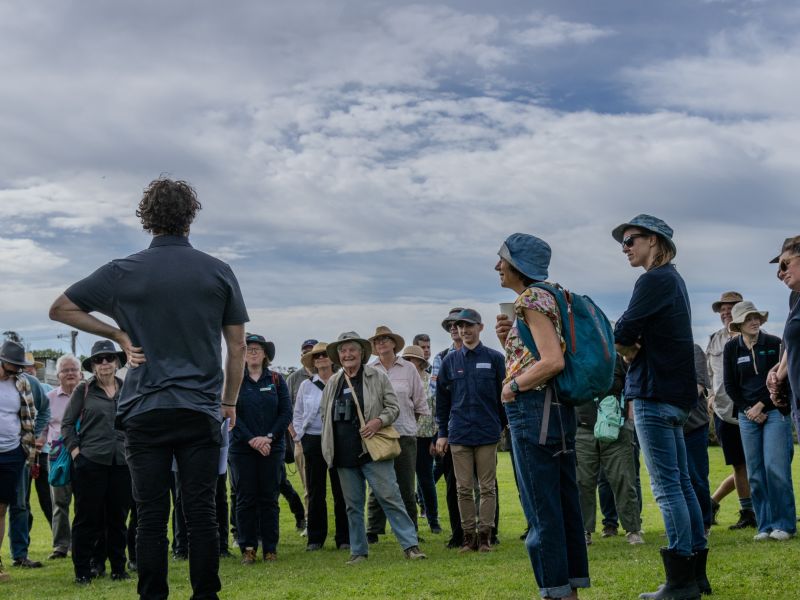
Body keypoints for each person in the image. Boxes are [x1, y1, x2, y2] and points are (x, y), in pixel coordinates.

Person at [49, 177, 248, 599]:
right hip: (199, 409)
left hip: (143, 410)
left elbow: (61, 308)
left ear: (147, 219)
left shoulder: (123, 270)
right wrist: (229, 400)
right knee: (201, 515)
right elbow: (237, 347)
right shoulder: (218, 270)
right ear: (190, 217)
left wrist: (119, 335)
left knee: (151, 516)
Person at [611, 215, 708, 599]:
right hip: (677, 396)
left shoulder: (654, 278)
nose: (625, 247)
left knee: (668, 489)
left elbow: (621, 331)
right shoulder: (676, 280)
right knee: (682, 484)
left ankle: (682, 581)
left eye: (630, 239)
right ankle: (696, 574)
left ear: (654, 240)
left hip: (653, 394)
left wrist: (628, 350)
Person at [494, 233, 589, 600]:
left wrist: (512, 387)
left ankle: (554, 592)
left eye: (501, 259)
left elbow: (552, 360)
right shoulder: (553, 296)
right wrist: (511, 342)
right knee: (562, 506)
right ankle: (568, 590)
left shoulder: (531, 298)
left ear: (517, 264)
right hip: (556, 409)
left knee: (540, 510)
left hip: (533, 410)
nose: (497, 266)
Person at [320, 332, 425, 564]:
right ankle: (358, 552)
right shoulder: (333, 383)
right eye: (343, 351)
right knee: (353, 506)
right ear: (338, 356)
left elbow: (393, 407)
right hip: (343, 453)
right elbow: (323, 414)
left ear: (361, 353)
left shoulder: (376, 376)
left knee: (391, 497)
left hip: (373, 450)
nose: (347, 355)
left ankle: (410, 546)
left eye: (352, 350)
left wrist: (379, 421)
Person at [723, 301, 794, 541]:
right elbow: (731, 386)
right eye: (748, 319)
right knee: (754, 471)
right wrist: (748, 409)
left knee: (776, 468)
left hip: (775, 411)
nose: (754, 321)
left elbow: (781, 378)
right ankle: (764, 526)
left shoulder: (774, 343)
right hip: (746, 416)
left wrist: (762, 404)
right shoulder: (731, 349)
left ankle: (784, 524)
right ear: (739, 325)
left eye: (756, 317)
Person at [62, 341, 132, 583]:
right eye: (99, 360)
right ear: (92, 365)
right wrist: (76, 454)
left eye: (109, 358)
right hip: (90, 462)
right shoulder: (84, 390)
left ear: (117, 362)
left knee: (117, 519)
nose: (104, 364)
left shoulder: (127, 389)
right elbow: (67, 424)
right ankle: (83, 570)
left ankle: (118, 568)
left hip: (122, 463)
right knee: (87, 519)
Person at [436, 309, 505, 553]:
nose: (464, 331)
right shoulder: (449, 361)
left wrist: (503, 427)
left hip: (487, 432)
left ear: (480, 327)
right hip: (459, 433)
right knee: (463, 488)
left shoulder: (495, 358)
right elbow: (442, 402)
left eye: (469, 326)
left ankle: (485, 536)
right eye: (460, 326)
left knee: (487, 487)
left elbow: (503, 398)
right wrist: (442, 433)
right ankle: (468, 537)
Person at [229, 334, 291, 563]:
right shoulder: (234, 380)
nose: (253, 352)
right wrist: (252, 440)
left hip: (271, 448)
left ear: (265, 354)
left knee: (269, 498)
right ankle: (248, 547)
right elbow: (230, 413)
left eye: (257, 348)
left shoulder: (276, 379)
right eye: (248, 348)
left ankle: (270, 548)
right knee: (245, 498)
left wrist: (268, 438)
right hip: (242, 449)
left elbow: (285, 413)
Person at [366, 326, 429, 543]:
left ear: (394, 343)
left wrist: (408, 425)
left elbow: (420, 403)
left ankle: (410, 530)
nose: (381, 343)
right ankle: (373, 529)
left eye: (385, 339)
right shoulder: (370, 370)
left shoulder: (409, 369)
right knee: (378, 483)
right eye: (377, 341)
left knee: (405, 485)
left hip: (404, 434)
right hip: (378, 434)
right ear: (374, 347)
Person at [575, 354, 643, 545]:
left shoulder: (617, 358)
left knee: (624, 479)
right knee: (583, 482)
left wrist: (629, 421)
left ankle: (633, 530)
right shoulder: (575, 355)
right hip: (583, 427)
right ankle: (583, 532)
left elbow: (632, 387)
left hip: (616, 428)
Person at [292, 342, 349, 551]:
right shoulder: (307, 385)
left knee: (340, 490)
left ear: (332, 359)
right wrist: (300, 437)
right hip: (313, 439)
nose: (321, 359)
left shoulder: (342, 381)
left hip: (337, 439)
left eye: (325, 355)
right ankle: (315, 538)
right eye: (317, 357)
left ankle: (344, 538)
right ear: (313, 362)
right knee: (315, 490)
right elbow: (297, 413)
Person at [706, 291, 755, 530]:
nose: (725, 313)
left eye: (730, 308)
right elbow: (710, 373)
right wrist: (711, 395)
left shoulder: (753, 337)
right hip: (724, 411)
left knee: (756, 463)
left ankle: (713, 502)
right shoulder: (715, 339)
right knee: (739, 464)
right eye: (722, 309)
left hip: (751, 408)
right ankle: (747, 511)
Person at [0, 341, 45, 582]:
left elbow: (35, 412)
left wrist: (30, 442)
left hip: (12, 453)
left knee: (3, 508)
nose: (17, 369)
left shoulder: (23, 383)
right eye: (12, 365)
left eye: (20, 366)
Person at [46, 354, 82, 559]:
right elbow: (42, 426)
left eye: (73, 370)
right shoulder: (49, 398)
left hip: (83, 453)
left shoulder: (88, 395)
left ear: (80, 373)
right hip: (58, 455)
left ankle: (81, 542)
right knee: (59, 502)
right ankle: (61, 546)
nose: (70, 373)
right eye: (65, 370)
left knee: (84, 501)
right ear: (58, 375)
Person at [402, 345, 441, 535]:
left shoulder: (430, 381)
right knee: (404, 482)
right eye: (406, 359)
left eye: (412, 360)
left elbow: (436, 409)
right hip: (404, 435)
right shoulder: (401, 381)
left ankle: (433, 520)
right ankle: (406, 523)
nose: (408, 363)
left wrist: (436, 438)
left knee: (426, 480)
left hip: (425, 436)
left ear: (420, 362)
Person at [285, 338, 318, 527]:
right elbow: (287, 409)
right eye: (305, 351)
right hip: (301, 440)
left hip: (326, 438)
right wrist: (295, 436)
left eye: (312, 351)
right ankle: (308, 521)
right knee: (307, 486)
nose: (308, 354)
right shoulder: (294, 379)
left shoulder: (331, 374)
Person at [685, 345, 712, 535]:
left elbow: (699, 387)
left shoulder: (693, 350)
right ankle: (682, 521)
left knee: (697, 476)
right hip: (669, 426)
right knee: (675, 479)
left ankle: (703, 522)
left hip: (693, 423)